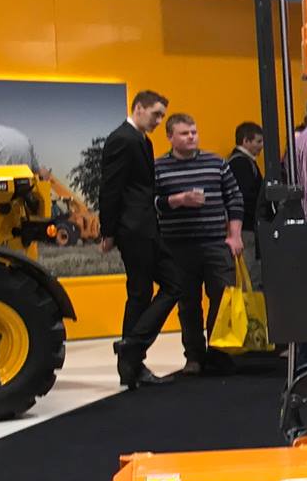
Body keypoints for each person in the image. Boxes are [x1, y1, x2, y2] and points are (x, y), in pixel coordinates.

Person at [152, 113, 246, 375]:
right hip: (177, 247)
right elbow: (151, 203)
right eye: (185, 133)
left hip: (216, 243)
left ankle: (219, 352)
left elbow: (235, 199)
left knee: (222, 298)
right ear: (170, 137)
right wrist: (178, 200)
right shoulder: (158, 168)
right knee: (188, 303)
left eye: (194, 132)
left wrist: (234, 235)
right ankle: (194, 355)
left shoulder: (216, 162)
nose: (191, 137)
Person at [100, 89, 175, 388]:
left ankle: (131, 350)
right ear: (139, 108)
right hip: (133, 229)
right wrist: (108, 231)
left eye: (162, 115)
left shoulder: (142, 140)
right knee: (142, 292)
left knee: (166, 285)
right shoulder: (123, 139)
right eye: (156, 114)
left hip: (145, 227)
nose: (159, 121)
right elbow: (111, 187)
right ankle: (132, 356)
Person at [229, 121, 266, 274]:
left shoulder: (237, 161)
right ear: (245, 141)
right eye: (258, 141)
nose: (261, 145)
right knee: (248, 271)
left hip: (245, 225)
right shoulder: (242, 163)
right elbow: (245, 196)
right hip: (246, 227)